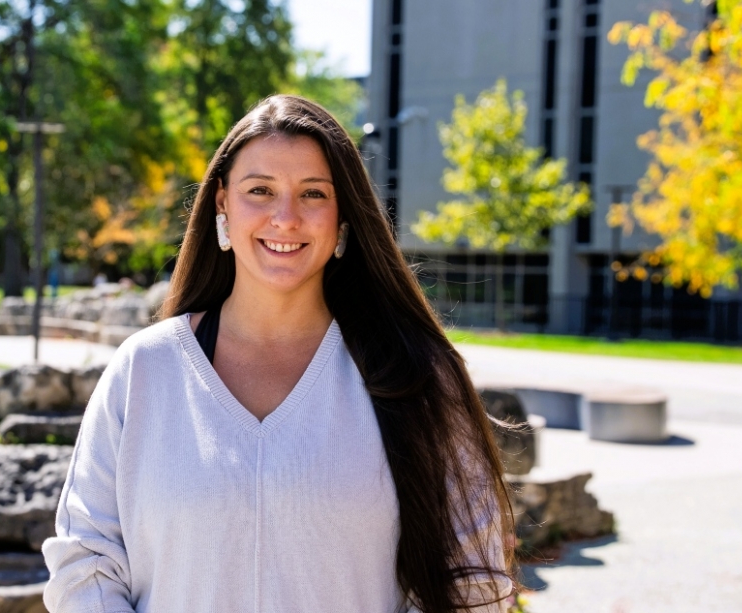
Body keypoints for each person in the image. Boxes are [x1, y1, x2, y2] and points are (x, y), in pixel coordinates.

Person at [42, 95, 514, 613]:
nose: (285, 217)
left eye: (313, 193)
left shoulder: (417, 377)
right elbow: (85, 563)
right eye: (260, 190)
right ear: (222, 203)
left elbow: (473, 579)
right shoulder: (143, 371)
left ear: (343, 218)